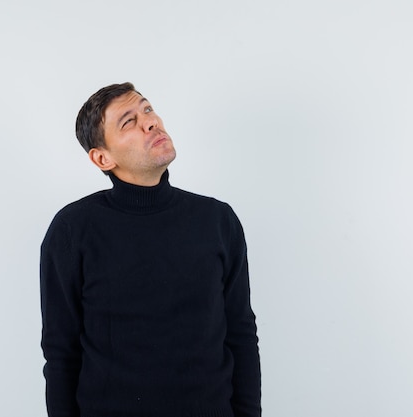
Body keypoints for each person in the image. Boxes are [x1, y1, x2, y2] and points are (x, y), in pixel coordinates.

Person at [40, 82, 261, 417]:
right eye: (129, 121)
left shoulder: (217, 221)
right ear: (102, 157)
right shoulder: (73, 230)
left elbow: (241, 335)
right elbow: (61, 354)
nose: (151, 122)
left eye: (147, 109)